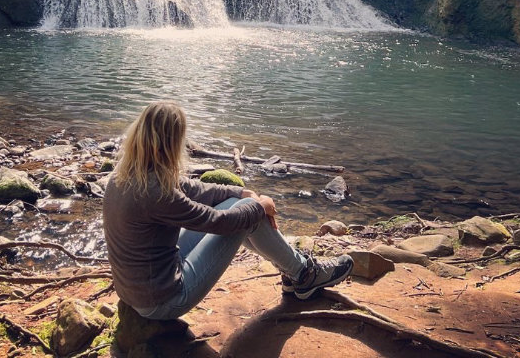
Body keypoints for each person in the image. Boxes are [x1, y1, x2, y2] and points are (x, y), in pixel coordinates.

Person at [102, 101, 353, 321]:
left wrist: (240, 192)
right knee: (248, 214)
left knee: (241, 205)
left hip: (140, 289)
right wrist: (259, 206)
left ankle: (295, 271)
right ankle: (304, 275)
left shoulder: (127, 173)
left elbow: (194, 188)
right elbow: (217, 222)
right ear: (171, 143)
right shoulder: (156, 193)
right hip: (164, 301)